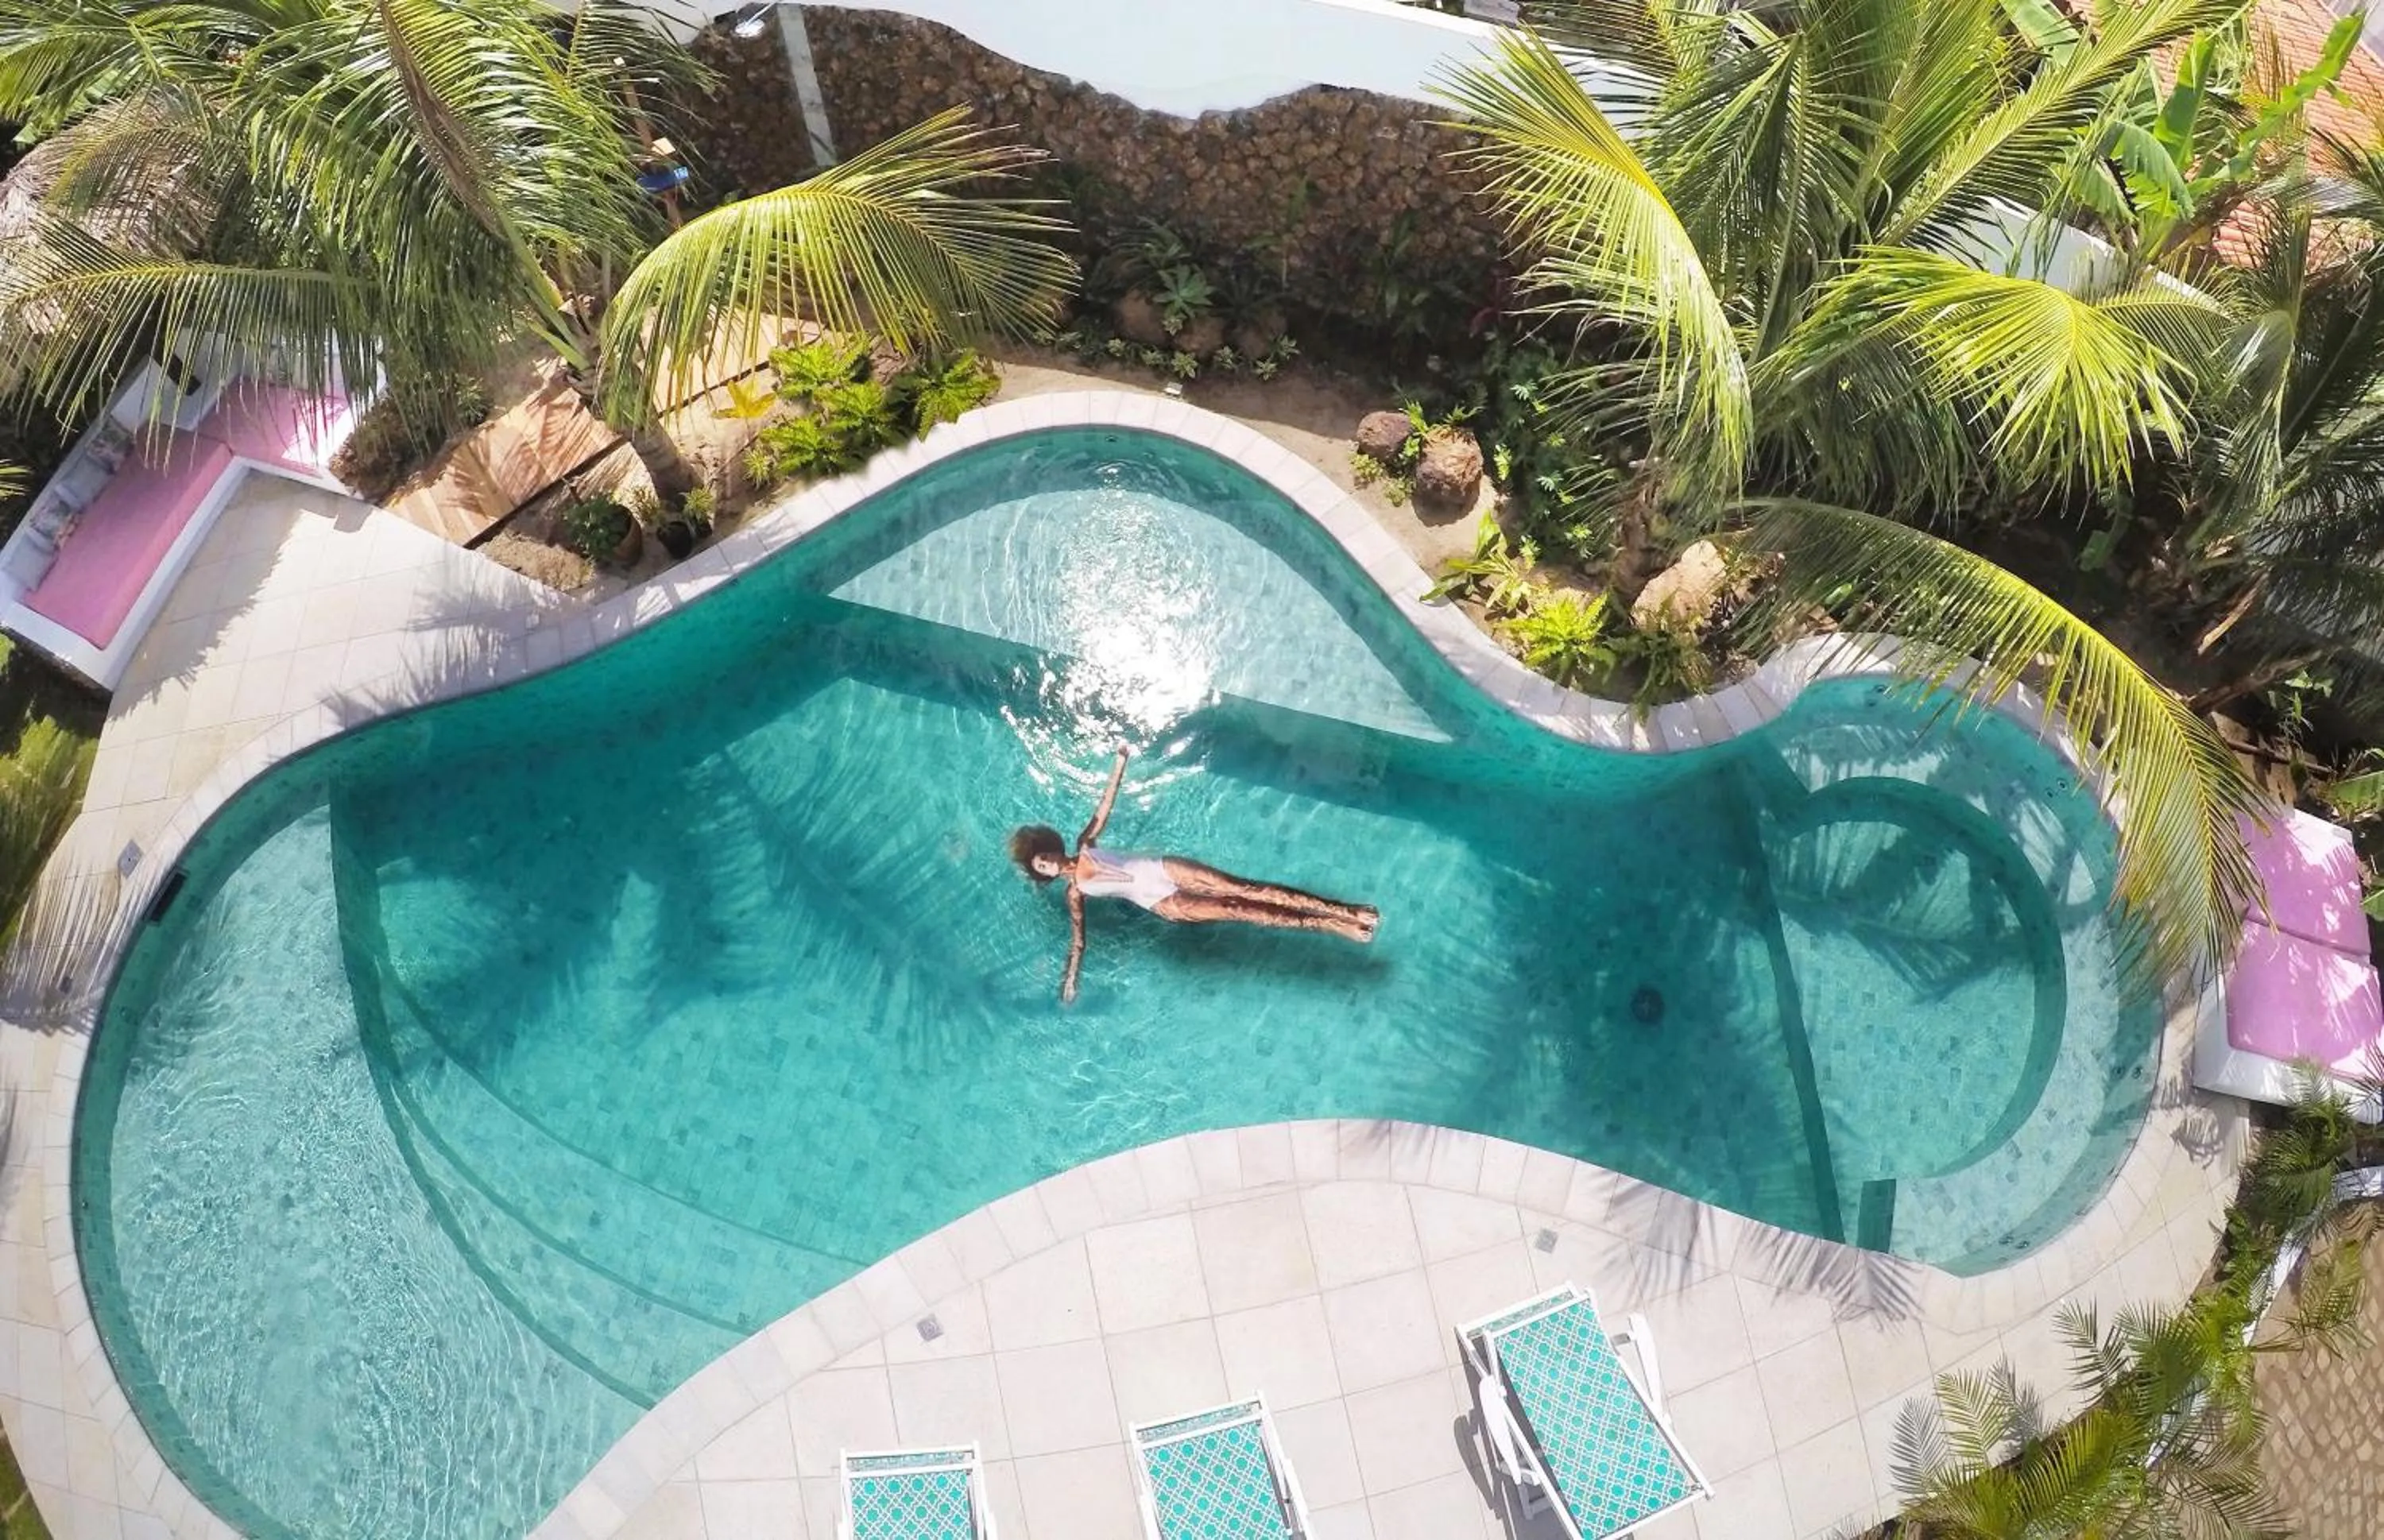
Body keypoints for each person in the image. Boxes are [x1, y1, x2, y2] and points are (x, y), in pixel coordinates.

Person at [1011, 748, 1380, 1004]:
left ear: (1052, 846)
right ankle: (1331, 925)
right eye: (1041, 866)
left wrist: (1120, 763)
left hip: (1162, 868)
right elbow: (1079, 942)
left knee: (1242, 887)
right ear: (1044, 875)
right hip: (1160, 901)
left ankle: (1343, 909)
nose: (1047, 863)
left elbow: (1104, 806)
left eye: (1045, 856)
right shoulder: (1075, 894)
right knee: (1238, 909)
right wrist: (1071, 979)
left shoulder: (1085, 841)